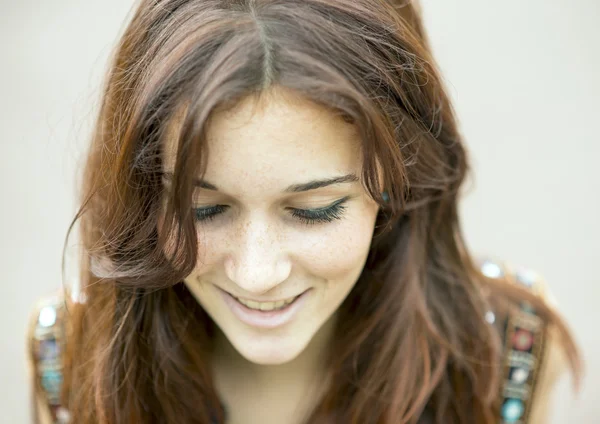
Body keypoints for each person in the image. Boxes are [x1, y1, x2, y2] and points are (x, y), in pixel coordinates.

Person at [27, 0, 583, 423]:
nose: (257, 273)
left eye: (314, 211)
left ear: (394, 183)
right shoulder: (72, 358)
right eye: (203, 209)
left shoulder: (506, 350)